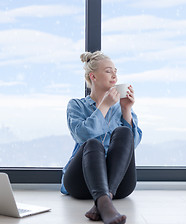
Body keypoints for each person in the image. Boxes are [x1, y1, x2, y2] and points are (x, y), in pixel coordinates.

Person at [61, 51, 142, 224]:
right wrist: (104, 106)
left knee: (124, 132)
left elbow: (131, 147)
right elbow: (80, 135)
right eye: (108, 71)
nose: (114, 75)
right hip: (81, 182)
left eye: (115, 71)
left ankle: (104, 201)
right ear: (93, 76)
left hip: (119, 184)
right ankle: (106, 203)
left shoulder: (121, 107)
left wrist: (126, 110)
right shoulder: (76, 105)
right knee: (92, 143)